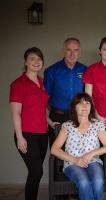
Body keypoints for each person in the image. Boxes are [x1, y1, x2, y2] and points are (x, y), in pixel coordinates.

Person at [51, 93, 106, 200]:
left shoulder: (97, 124)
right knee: (84, 182)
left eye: (87, 103)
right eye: (80, 103)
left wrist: (91, 153)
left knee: (98, 181)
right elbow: (54, 149)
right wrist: (75, 160)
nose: (84, 106)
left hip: (93, 162)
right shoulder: (67, 125)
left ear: (91, 107)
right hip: (72, 163)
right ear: (74, 107)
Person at [9, 47, 49, 200]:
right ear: (25, 62)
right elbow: (16, 113)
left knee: (36, 172)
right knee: (36, 171)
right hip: (26, 134)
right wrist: (19, 137)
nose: (36, 62)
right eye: (32, 59)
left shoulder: (42, 82)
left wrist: (49, 121)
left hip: (42, 134)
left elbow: (41, 108)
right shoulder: (18, 84)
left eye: (39, 59)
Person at [44, 37, 87, 146]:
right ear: (64, 51)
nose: (72, 54)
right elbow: (45, 98)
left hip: (79, 117)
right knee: (58, 153)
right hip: (58, 117)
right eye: (69, 50)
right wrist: (56, 109)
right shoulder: (51, 71)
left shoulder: (85, 70)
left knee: (79, 151)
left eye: (76, 50)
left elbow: (88, 96)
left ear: (79, 52)